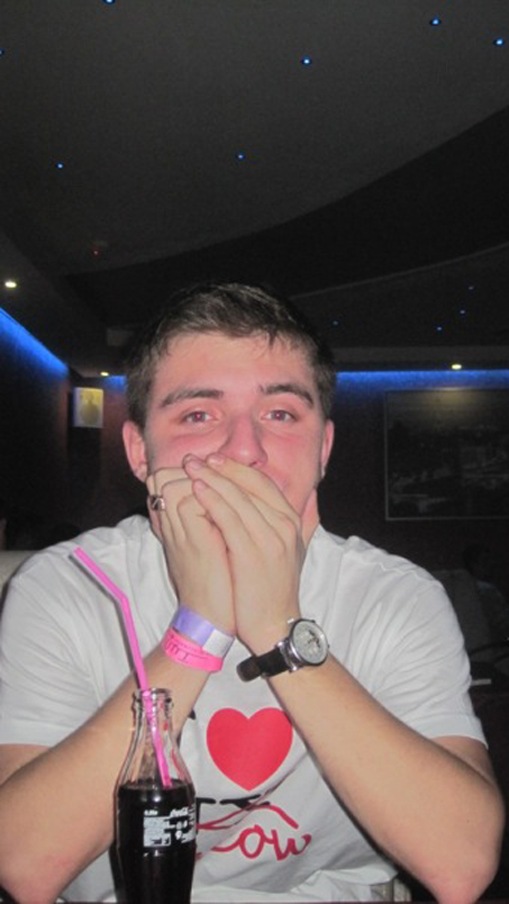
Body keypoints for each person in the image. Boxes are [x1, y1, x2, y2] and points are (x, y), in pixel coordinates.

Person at [0, 283, 504, 904]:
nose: (245, 450)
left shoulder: (394, 596)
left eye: (281, 414)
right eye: (198, 414)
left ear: (322, 449)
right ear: (139, 452)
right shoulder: (68, 586)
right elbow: (26, 866)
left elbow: (461, 866)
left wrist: (277, 628)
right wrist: (198, 628)